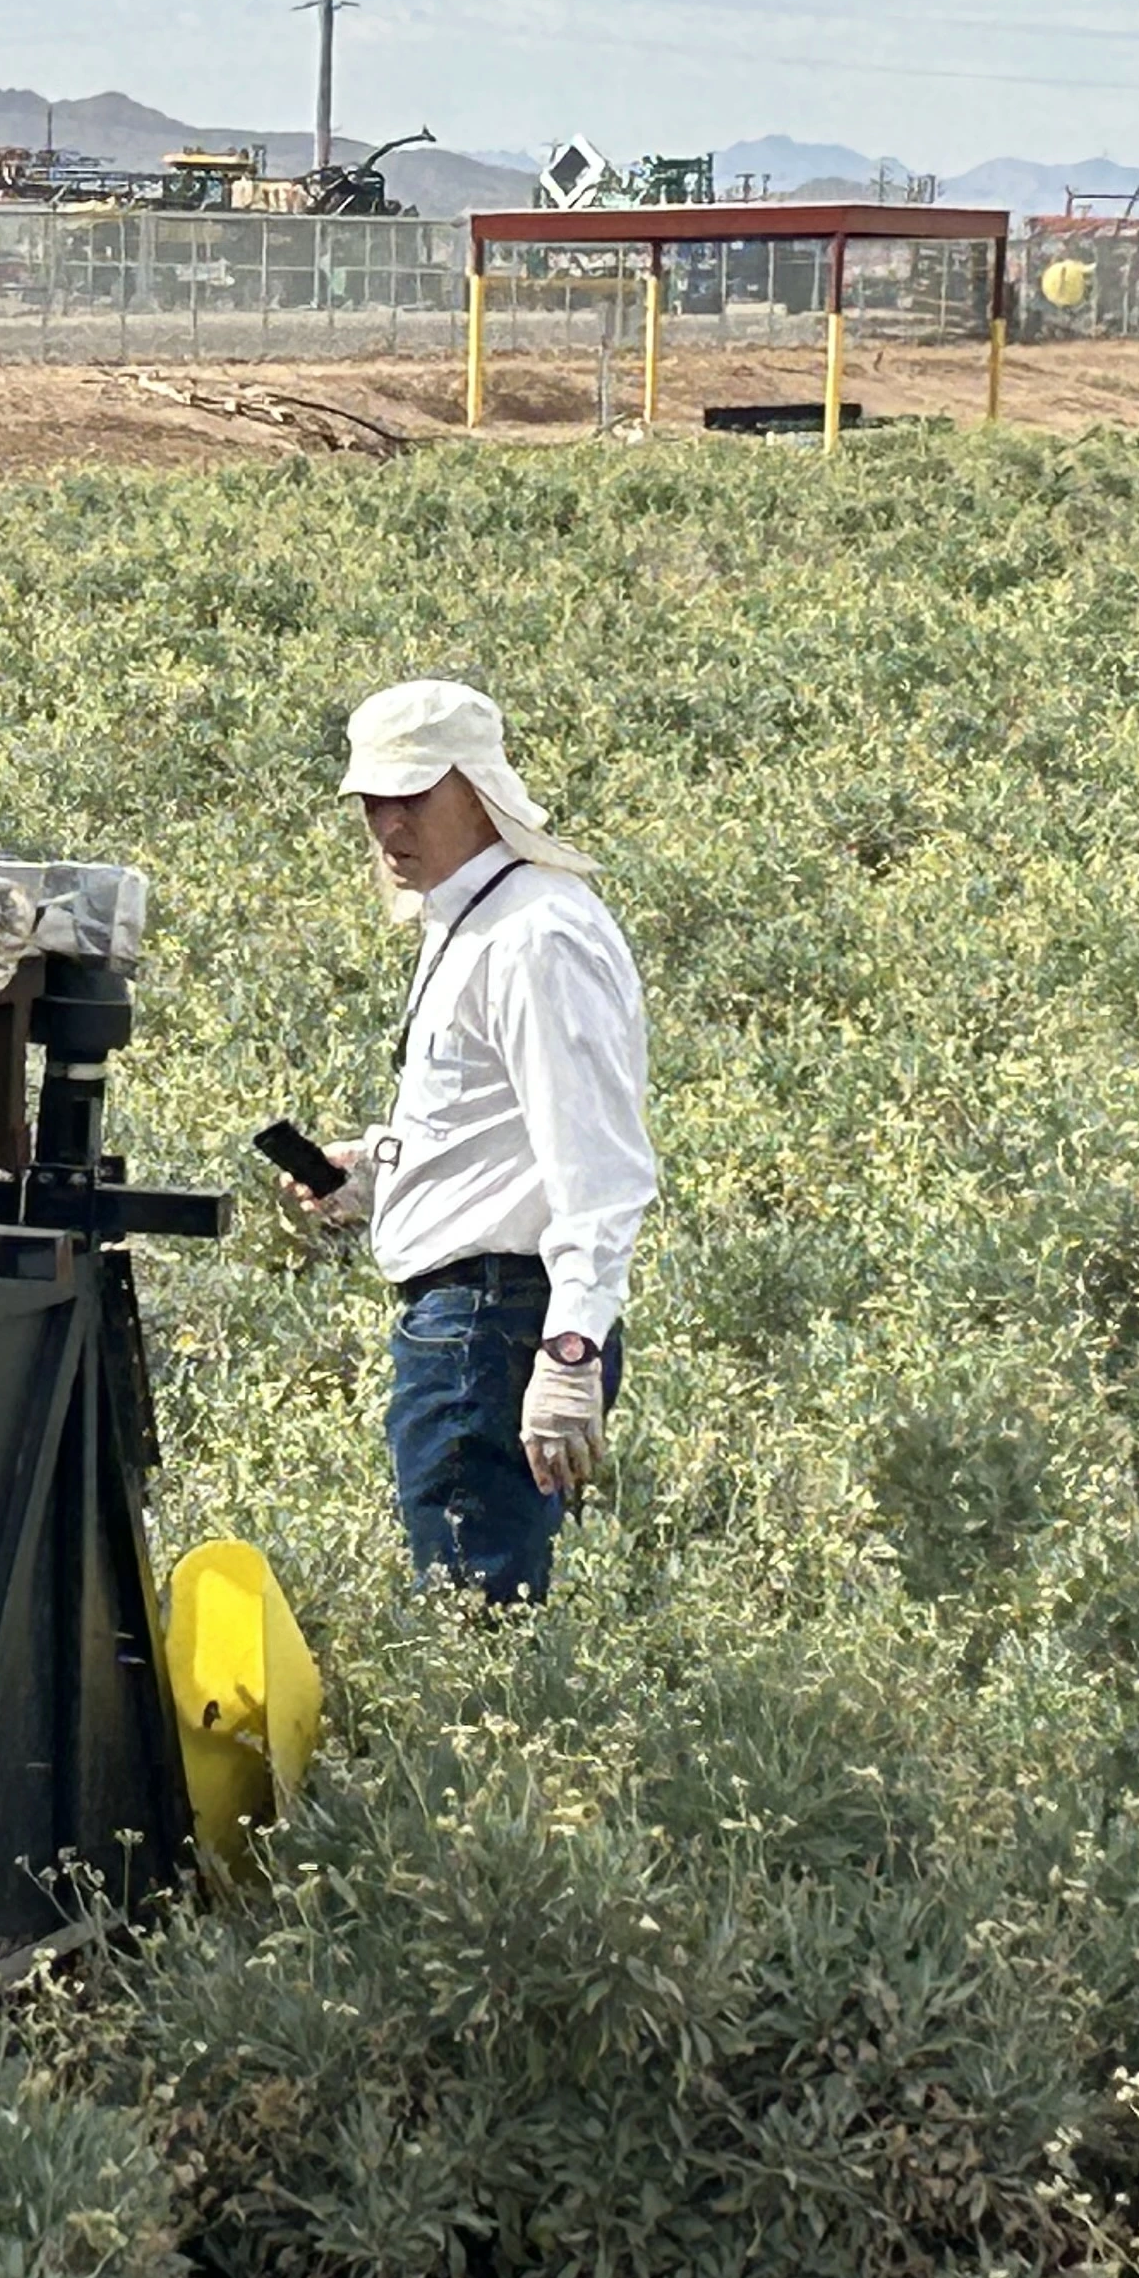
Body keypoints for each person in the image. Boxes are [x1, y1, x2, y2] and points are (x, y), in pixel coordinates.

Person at [304, 680, 655, 1603]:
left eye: (411, 797)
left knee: (473, 1614)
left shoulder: (533, 935)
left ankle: (491, 1753)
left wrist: (570, 1351)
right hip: (482, 1319)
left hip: (495, 1322)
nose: (388, 826)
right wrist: (379, 1172)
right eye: (372, 802)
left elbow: (600, 1168)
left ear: (477, 787)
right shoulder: (478, 918)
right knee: (488, 1601)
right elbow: (492, 1120)